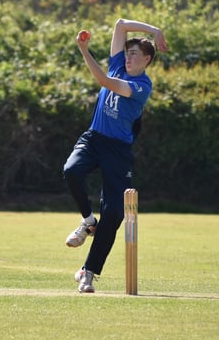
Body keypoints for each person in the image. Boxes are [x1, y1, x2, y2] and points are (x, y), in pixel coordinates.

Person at [63, 18, 167, 293]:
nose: (128, 57)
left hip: (118, 151)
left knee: (114, 213)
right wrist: (154, 30)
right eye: (127, 52)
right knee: (71, 171)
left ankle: (88, 273)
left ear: (147, 59)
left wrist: (84, 51)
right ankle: (87, 221)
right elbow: (121, 25)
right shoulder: (119, 65)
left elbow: (103, 81)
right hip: (94, 138)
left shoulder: (142, 87)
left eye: (134, 53)